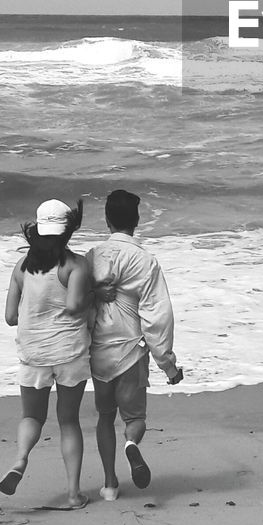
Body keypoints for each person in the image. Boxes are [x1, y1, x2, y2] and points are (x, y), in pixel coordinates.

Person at [86, 190, 183, 500]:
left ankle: (110, 484)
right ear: (137, 221)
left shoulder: (91, 257)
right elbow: (158, 317)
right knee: (135, 419)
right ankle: (131, 445)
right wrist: (167, 364)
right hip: (130, 353)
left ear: (107, 220)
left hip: (98, 352)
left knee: (104, 417)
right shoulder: (145, 261)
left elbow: (76, 303)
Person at [0, 199, 91, 508]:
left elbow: (11, 317)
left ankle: (20, 459)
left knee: (31, 416)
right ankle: (74, 494)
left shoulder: (22, 267)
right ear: (67, 231)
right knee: (68, 421)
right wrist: (96, 295)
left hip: (33, 353)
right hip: (69, 353)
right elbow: (76, 306)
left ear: (37, 230)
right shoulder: (74, 265)